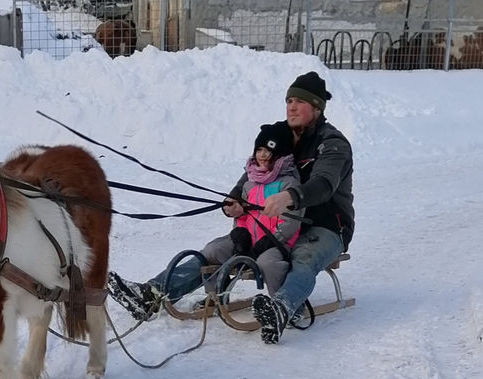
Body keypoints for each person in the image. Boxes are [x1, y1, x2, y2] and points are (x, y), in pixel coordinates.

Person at [107, 121, 304, 321]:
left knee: (268, 262)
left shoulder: (289, 185)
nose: (262, 155)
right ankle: (161, 295)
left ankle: (283, 307)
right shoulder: (251, 180)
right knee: (211, 250)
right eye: (259, 150)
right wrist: (239, 232)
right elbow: (243, 215)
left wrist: (268, 241)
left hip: (274, 242)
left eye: (268, 151)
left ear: (280, 155)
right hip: (250, 239)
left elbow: (290, 222)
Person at [242, 71, 354, 344]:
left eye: (299, 101)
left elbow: (324, 183)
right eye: (288, 100)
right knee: (226, 247)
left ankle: (281, 308)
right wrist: (234, 199)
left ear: (316, 107)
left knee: (303, 257)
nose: (291, 106)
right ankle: (156, 291)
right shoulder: (282, 136)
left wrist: (289, 196)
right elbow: (256, 170)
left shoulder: (332, 143)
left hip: (325, 226)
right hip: (283, 224)